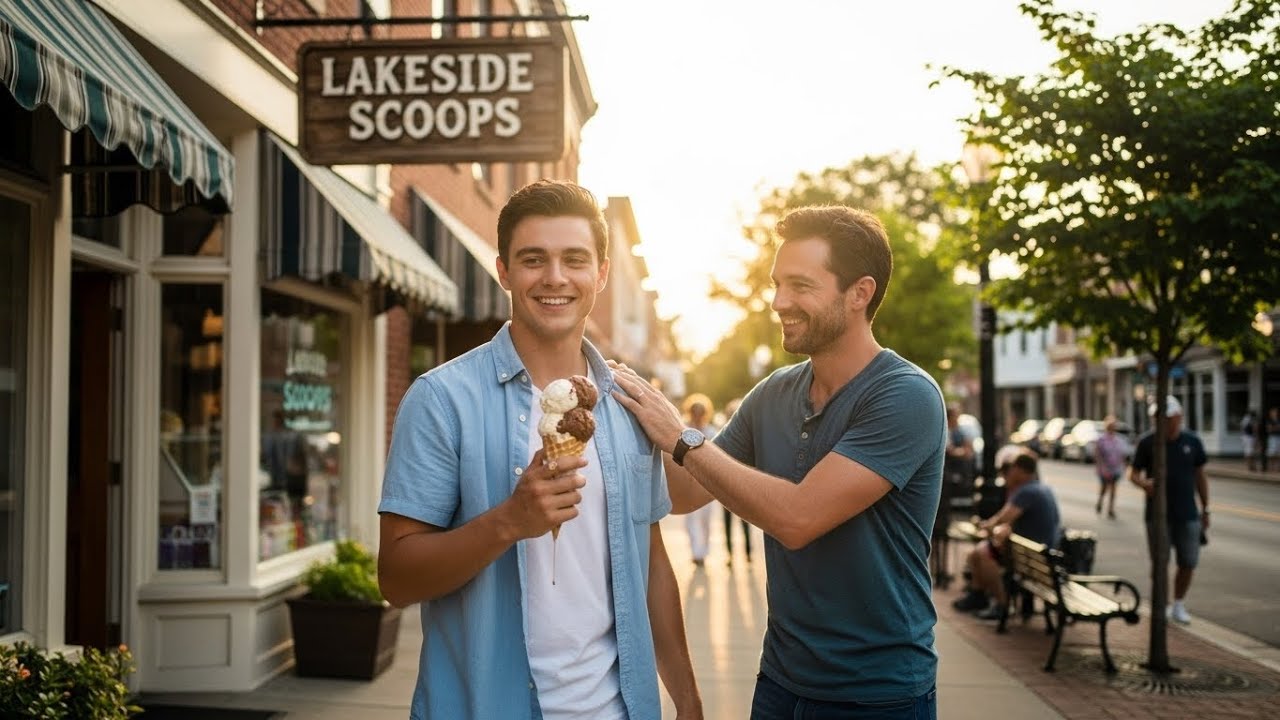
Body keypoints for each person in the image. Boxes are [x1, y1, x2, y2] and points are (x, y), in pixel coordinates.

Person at [377, 180, 702, 719]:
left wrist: (687, 699)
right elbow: (396, 579)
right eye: (533, 259)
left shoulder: (630, 404)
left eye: (574, 259)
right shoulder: (441, 399)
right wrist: (508, 521)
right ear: (504, 271)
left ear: (601, 273)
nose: (555, 277)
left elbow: (650, 562)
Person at [612, 205, 943, 718]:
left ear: (860, 293)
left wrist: (680, 436)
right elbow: (685, 493)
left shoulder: (906, 396)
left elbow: (797, 519)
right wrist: (632, 413)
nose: (778, 301)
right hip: (779, 684)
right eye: (777, 284)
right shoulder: (773, 393)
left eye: (800, 286)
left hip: (878, 694)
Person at [952, 449, 1061, 620]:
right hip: (1038, 557)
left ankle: (1001, 605)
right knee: (976, 553)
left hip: (1032, 560)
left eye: (1013, 468)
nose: (1009, 471)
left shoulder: (1027, 492)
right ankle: (978, 594)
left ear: (1022, 470)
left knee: (983, 553)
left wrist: (985, 526)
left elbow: (999, 520)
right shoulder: (1041, 488)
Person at [1128, 395, 1208, 625]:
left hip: (1187, 513)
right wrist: (1144, 484)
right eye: (1157, 418)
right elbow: (1133, 473)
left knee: (1188, 561)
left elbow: (1200, 476)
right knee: (1160, 563)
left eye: (1166, 418)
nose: (1161, 423)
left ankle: (1178, 604)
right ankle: (1161, 605)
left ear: (1178, 417)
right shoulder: (1147, 442)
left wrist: (1206, 508)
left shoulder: (1192, 441)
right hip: (1157, 515)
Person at [681, 393, 718, 566]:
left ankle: (704, 551)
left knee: (705, 521)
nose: (697, 415)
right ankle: (696, 552)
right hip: (686, 481)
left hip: (707, 483)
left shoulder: (711, 432)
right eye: (694, 411)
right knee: (690, 520)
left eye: (700, 412)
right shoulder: (682, 429)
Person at [719, 398, 754, 565]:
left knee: (745, 522)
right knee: (728, 523)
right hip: (725, 486)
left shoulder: (747, 435)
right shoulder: (722, 435)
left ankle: (748, 553)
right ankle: (730, 555)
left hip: (743, 486)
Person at [1093, 415, 1128, 519]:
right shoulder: (1101, 439)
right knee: (1104, 488)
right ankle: (1100, 502)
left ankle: (1110, 509)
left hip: (1115, 468)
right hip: (1105, 468)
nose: (1112, 428)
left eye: (1114, 426)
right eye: (1110, 426)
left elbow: (1122, 455)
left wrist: (1123, 465)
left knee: (1113, 489)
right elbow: (1098, 455)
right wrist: (1101, 467)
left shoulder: (1118, 440)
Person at [1266, 406, 1280, 472]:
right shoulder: (1269, 420)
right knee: (1271, 453)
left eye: (1276, 412)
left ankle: (1278, 467)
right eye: (1274, 412)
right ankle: (1271, 466)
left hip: (1278, 437)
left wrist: (1274, 428)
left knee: (1278, 453)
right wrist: (1276, 427)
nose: (1275, 413)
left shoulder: (1278, 420)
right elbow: (1269, 429)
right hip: (1272, 437)